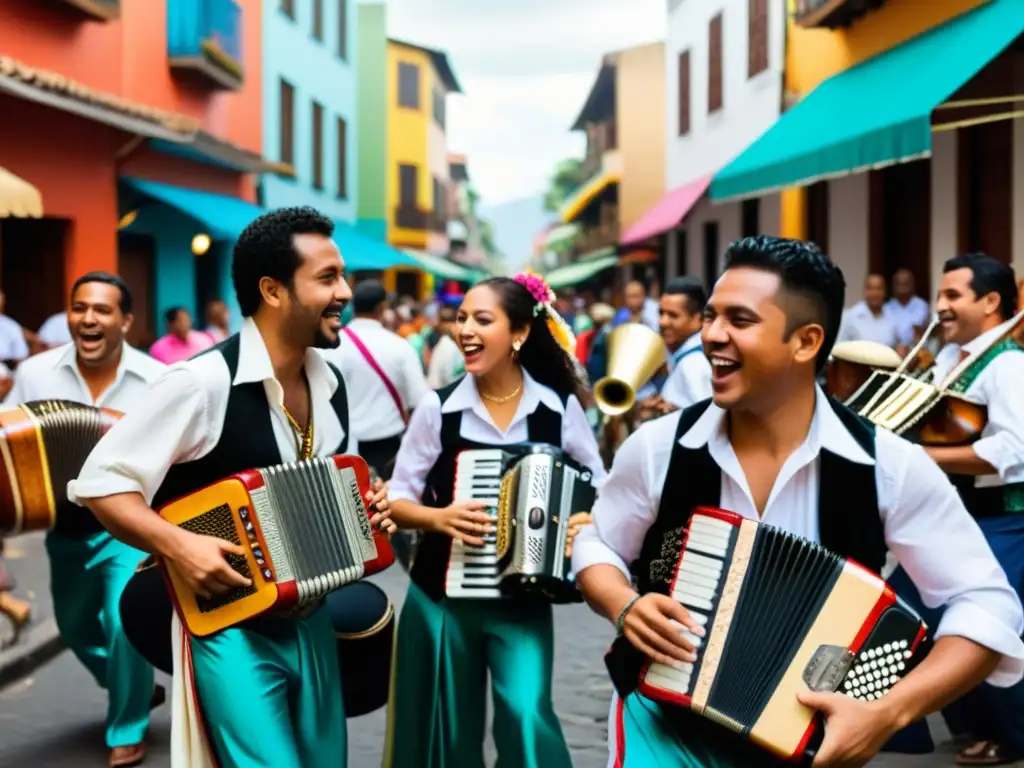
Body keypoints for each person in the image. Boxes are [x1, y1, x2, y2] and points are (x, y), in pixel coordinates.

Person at [571, 236, 1024, 768]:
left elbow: (989, 603)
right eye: (712, 315)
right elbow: (599, 540)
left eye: (739, 320)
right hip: (659, 722)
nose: (712, 335)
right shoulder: (657, 447)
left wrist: (890, 712)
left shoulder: (891, 466)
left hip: (808, 745)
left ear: (805, 342)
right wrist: (622, 604)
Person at [67, 207, 395, 768]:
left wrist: (369, 506)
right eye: (327, 278)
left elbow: (334, 484)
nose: (344, 292)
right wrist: (179, 545)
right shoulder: (199, 384)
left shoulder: (332, 381)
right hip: (229, 630)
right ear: (272, 290)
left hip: (312, 619)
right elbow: (103, 485)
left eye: (341, 276)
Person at [383, 273, 607, 768]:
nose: (465, 329)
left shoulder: (557, 410)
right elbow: (395, 498)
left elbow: (600, 487)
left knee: (527, 715)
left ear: (520, 334)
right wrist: (438, 517)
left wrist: (582, 521)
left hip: (522, 600)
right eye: (462, 318)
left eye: (482, 320)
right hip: (441, 600)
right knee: (449, 733)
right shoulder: (437, 409)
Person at [3, 271, 166, 767]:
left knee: (123, 623)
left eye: (102, 310)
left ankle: (127, 728)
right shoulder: (36, 372)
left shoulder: (157, 380)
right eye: (80, 308)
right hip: (63, 524)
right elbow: (10, 433)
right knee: (75, 628)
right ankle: (130, 685)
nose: (88, 318)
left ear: (126, 321)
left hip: (130, 525)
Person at [888, 253, 1024, 766]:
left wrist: (924, 456)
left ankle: (1011, 735)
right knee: (905, 605)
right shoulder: (952, 359)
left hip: (1006, 515)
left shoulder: (1009, 365)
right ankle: (957, 722)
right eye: (940, 296)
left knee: (981, 620)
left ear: (990, 303)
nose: (939, 306)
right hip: (958, 512)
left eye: (952, 297)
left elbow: (1015, 448)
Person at [323, 279, 430, 480]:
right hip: (388, 450)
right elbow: (419, 402)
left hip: (342, 449)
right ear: (383, 308)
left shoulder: (333, 346)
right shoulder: (399, 346)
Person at [636, 276, 712, 420]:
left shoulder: (693, 363)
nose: (662, 322)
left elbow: (706, 420)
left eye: (673, 315)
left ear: (698, 319)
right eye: (661, 313)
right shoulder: (686, 356)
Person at [836, 273, 902, 352]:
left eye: (879, 288)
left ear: (885, 292)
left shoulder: (892, 317)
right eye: (871, 289)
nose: (875, 293)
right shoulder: (850, 316)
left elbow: (898, 347)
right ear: (865, 291)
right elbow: (839, 349)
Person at [148, 306, 214, 364]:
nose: (186, 323)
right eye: (181, 320)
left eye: (187, 319)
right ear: (170, 324)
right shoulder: (158, 348)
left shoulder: (205, 340)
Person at [885, 268, 931, 347]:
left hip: (917, 350)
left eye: (906, 284)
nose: (903, 288)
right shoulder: (887, 308)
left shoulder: (922, 306)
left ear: (912, 285)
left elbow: (929, 332)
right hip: (892, 351)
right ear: (894, 286)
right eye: (899, 284)